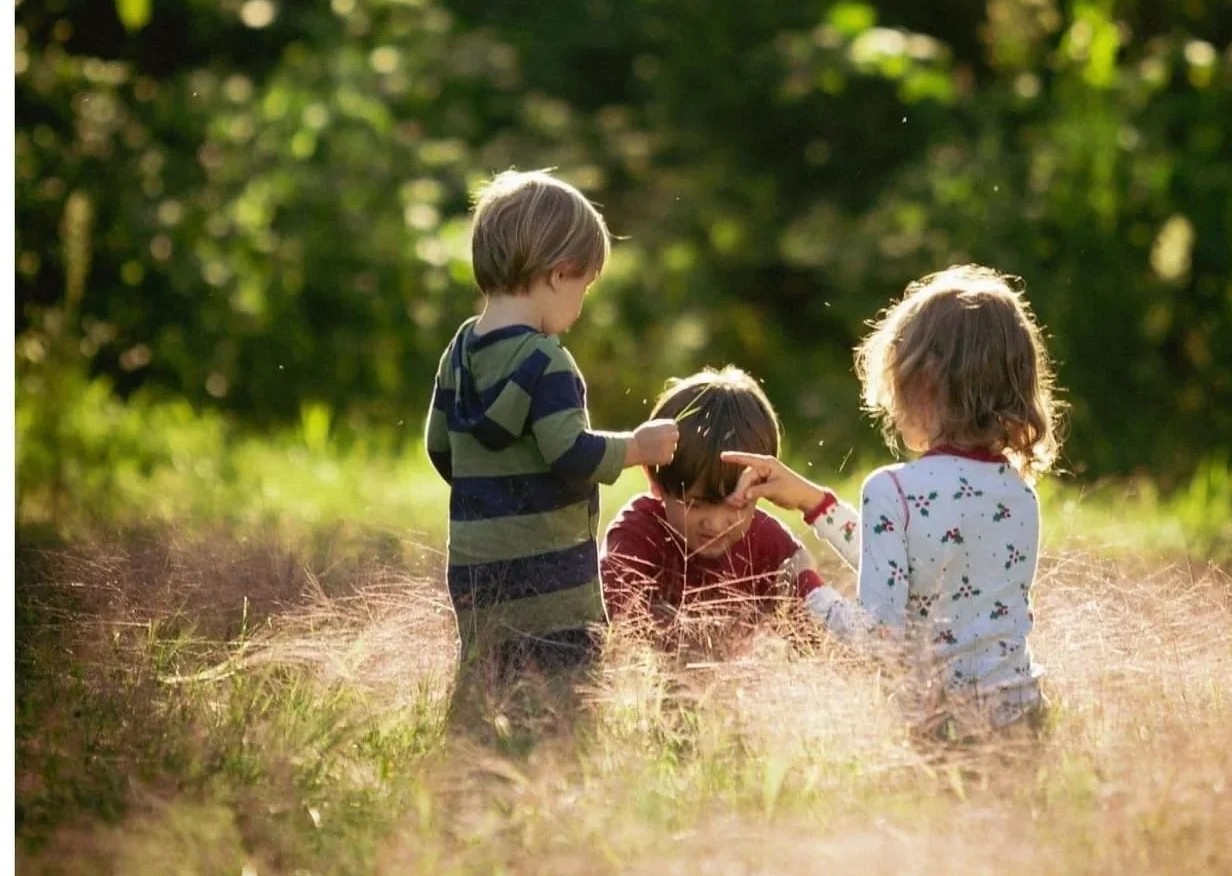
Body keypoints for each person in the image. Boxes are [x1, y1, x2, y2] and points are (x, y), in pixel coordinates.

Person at [724, 264, 1059, 728]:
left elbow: (877, 638)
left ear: (922, 382)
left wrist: (807, 590)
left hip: (943, 734)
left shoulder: (893, 490)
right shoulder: (1018, 495)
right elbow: (921, 567)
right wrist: (813, 503)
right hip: (1023, 721)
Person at [424, 168, 679, 684]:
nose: (581, 305)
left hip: (476, 566)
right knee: (565, 696)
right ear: (560, 274)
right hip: (551, 578)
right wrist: (637, 447)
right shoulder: (547, 361)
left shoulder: (460, 351)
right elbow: (570, 454)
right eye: (584, 287)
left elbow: (439, 447)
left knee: (487, 684)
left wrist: (489, 497)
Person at [600, 366, 830, 643]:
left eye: (737, 507)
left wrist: (802, 575)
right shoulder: (637, 537)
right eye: (694, 505)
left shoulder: (770, 546)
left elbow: (818, 640)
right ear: (656, 481)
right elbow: (616, 639)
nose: (715, 523)